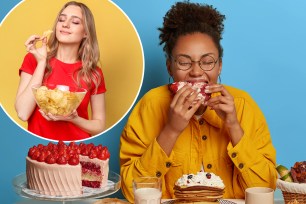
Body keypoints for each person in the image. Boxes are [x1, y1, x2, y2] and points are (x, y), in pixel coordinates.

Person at [120, 1, 277, 201]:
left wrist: (234, 127)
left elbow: (265, 191)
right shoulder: (150, 105)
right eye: (184, 62)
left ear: (219, 65)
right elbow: (132, 192)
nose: (195, 72)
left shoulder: (244, 105)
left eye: (207, 61)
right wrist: (171, 130)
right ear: (170, 67)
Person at [15, 1, 106, 141]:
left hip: (76, 152)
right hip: (40, 150)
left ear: (86, 33)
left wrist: (74, 119)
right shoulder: (33, 59)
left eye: (75, 22)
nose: (65, 24)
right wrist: (41, 63)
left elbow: (99, 125)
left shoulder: (94, 73)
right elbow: (22, 113)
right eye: (61, 19)